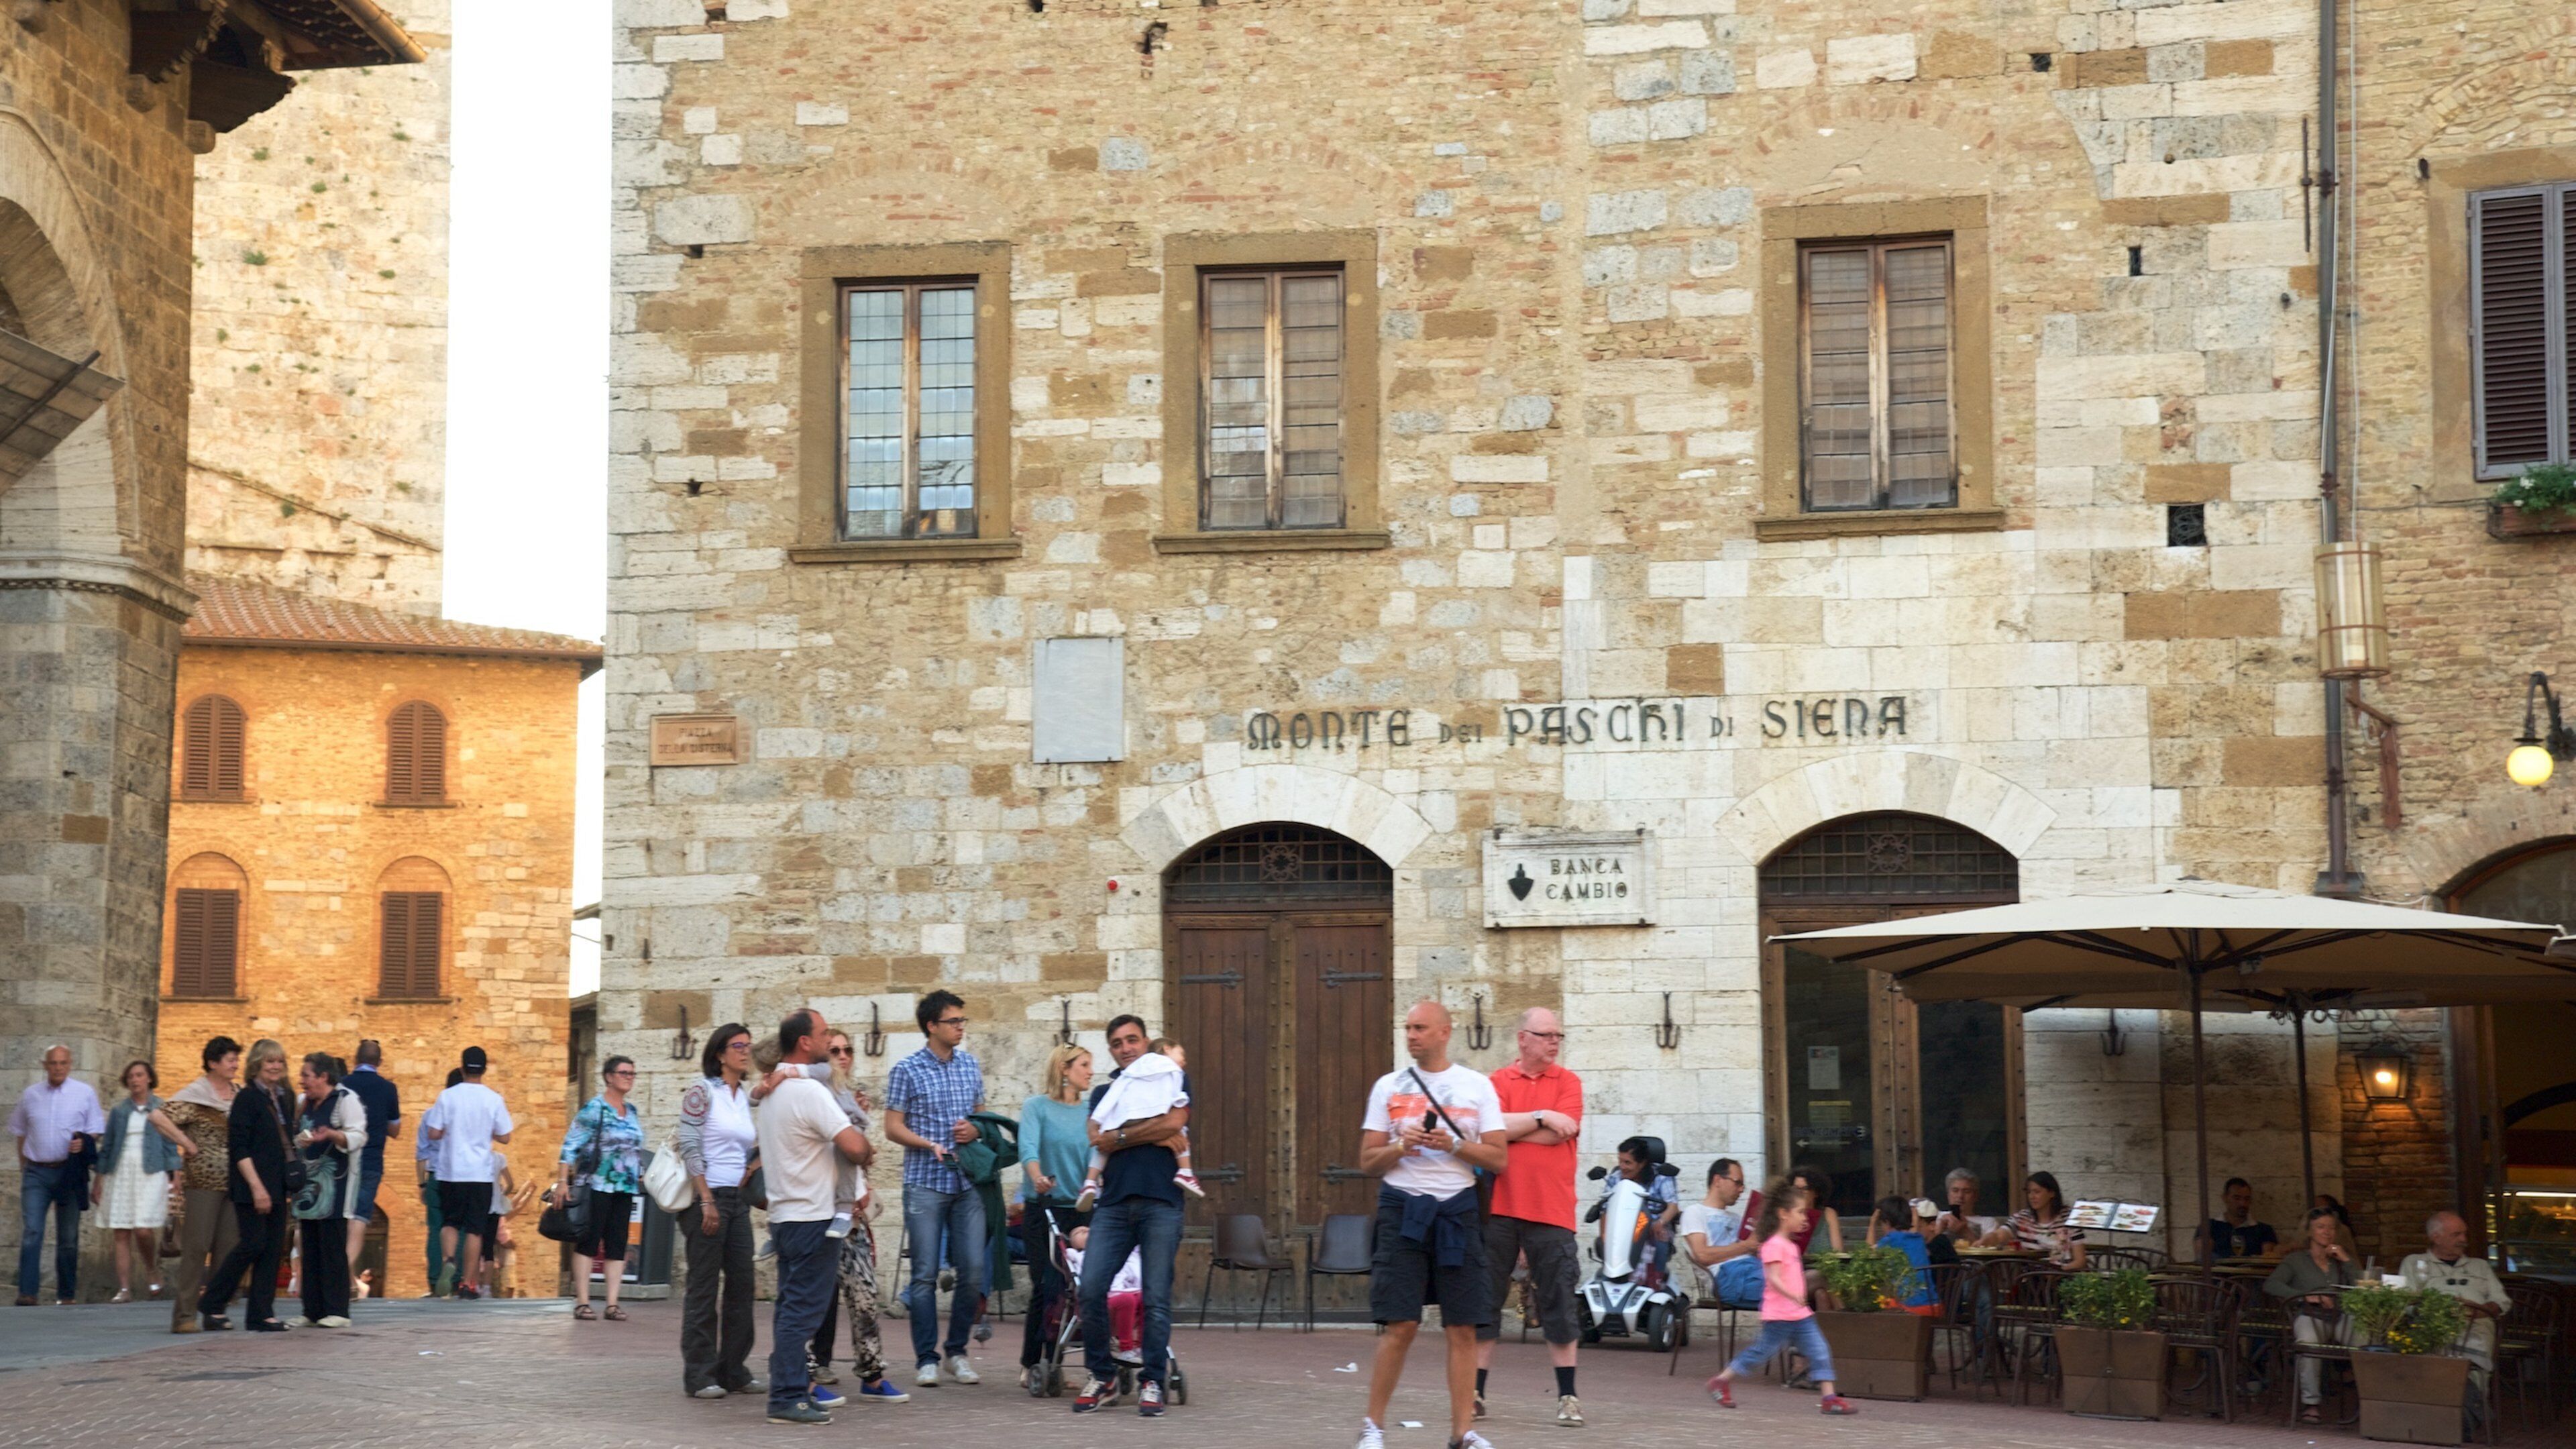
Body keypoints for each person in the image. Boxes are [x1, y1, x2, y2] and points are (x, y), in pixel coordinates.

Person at [1353, 1001, 1508, 1449]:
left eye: (1420, 1028)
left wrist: (1456, 1145)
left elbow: (1499, 1157)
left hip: (1457, 1211)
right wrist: (1401, 1146)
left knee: (1463, 1326)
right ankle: (1373, 1428)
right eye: (1408, 1028)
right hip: (1402, 1209)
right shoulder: (1388, 1087)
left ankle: (1462, 1432)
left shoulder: (1476, 1086)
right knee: (1400, 1324)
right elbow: (1366, 1161)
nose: (1412, 1035)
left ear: (1444, 1032)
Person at [755, 1008, 873, 1426]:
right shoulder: (808, 1092)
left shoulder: (773, 1091)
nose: (829, 1042)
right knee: (802, 1312)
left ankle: (788, 1390)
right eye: (824, 1034)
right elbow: (855, 1147)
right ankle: (786, 1396)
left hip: (787, 1216)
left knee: (792, 1307)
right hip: (811, 1217)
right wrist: (866, 1149)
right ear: (805, 1042)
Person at [1071, 1015, 1191, 1417]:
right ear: (1112, 1050)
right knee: (1090, 1288)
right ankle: (1103, 1376)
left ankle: (1153, 1381)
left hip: (1162, 1203)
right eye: (1118, 1043)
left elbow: (1176, 1122)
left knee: (1156, 1299)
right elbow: (1094, 1135)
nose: (1126, 1048)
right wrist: (1150, 1130)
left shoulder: (1172, 1077)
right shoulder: (1105, 1091)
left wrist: (1120, 1135)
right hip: (1114, 1207)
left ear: (1146, 1043)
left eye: (1133, 1040)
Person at [1474, 1007, 1586, 1428]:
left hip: (1552, 1210)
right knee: (1485, 1303)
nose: (1554, 1042)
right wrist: (1540, 1119)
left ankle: (1568, 1397)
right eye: (1546, 1035)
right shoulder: (1496, 1082)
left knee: (1559, 1303)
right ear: (1523, 1038)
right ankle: (1475, 1392)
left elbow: (1566, 1128)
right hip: (1499, 1208)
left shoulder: (1569, 1082)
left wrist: (1513, 1131)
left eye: (1559, 1035)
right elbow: (1488, 1132)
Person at [882, 989, 987, 1388]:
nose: (961, 1027)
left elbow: (983, 1119)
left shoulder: (970, 1066)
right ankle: (926, 1358)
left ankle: (956, 1353)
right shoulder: (906, 1070)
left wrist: (976, 1129)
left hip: (968, 1182)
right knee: (924, 1275)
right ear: (932, 1026)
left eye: (963, 1021)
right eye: (954, 1021)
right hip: (925, 1182)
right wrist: (927, 1144)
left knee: (973, 1272)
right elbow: (892, 1127)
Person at [804, 1028, 905, 1405]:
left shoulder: (847, 1097)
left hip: (851, 1212)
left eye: (848, 1050)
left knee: (865, 1295)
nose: (843, 1056)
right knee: (812, 1299)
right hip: (817, 1209)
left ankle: (872, 1374)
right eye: (834, 1050)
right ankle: (807, 1376)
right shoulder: (813, 1094)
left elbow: (857, 1154)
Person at [1705, 1181, 1858, 1415]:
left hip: (1799, 1314)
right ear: (1783, 1214)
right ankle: (1722, 1380)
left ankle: (1829, 1398)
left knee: (1820, 1350)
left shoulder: (1790, 1245)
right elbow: (1773, 1278)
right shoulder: (1774, 1245)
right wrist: (1793, 1294)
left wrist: (1797, 1298)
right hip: (1780, 1315)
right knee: (1760, 1352)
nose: (1804, 1218)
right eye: (1799, 1212)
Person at [674, 1022, 761, 1399]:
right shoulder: (701, 1091)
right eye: (738, 1045)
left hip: (737, 1202)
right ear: (720, 1053)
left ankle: (733, 1369)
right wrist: (705, 1197)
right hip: (705, 1201)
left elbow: (746, 1146)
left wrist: (754, 1166)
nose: (746, 1051)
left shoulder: (743, 1096)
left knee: (743, 1285)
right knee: (704, 1289)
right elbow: (689, 1143)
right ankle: (699, 1374)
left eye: (748, 1045)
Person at [197, 1038, 294, 1332]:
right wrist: (257, 1188)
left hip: (277, 1185)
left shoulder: (285, 1097)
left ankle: (261, 1314)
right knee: (253, 1244)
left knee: (272, 1248)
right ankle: (212, 1301)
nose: (275, 1066)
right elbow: (240, 1149)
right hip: (252, 1185)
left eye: (279, 1061)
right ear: (257, 1066)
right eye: (269, 1062)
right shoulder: (247, 1099)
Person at [1018, 1042, 1095, 1392]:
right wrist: (1036, 1177)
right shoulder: (1037, 1108)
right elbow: (1028, 1149)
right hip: (1044, 1207)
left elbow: (1098, 1152)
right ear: (1064, 1069)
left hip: (1081, 1209)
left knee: (1082, 1288)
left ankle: (1068, 1361)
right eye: (1084, 1065)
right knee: (1048, 1285)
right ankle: (1034, 1362)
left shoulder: (1093, 1109)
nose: (1090, 1072)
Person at [12, 1043, 105, 1305]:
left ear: (70, 1064)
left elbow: (96, 1128)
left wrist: (84, 1141)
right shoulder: (30, 1095)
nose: (58, 1068)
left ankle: (66, 1295)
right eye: (53, 1063)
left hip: (69, 1173)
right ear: (45, 1066)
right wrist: (24, 1166)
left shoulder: (84, 1093)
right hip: (37, 1173)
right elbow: (20, 1131)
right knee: (32, 1231)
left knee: (68, 1236)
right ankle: (28, 1292)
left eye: (63, 1063)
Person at [420, 1045, 513, 1299]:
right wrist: (486, 1131)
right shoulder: (493, 1099)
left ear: (462, 1068)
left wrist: (452, 1129)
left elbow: (433, 1133)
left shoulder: (447, 1097)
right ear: (484, 1069)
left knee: (450, 1222)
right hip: (481, 1174)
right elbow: (505, 1136)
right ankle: (468, 1284)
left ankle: (450, 1259)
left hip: (451, 1172)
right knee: (474, 1230)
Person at [163, 1037, 243, 1332]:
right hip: (203, 1182)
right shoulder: (196, 1095)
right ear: (213, 1062)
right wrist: (186, 1143)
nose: (235, 1064)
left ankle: (215, 1312)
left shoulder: (239, 1094)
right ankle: (184, 1315)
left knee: (227, 1248)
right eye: (229, 1059)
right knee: (197, 1247)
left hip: (235, 1183)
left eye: (236, 1059)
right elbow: (159, 1117)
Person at [557, 1055, 645, 1322]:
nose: (629, 1077)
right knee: (588, 1242)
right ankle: (583, 1302)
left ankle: (612, 1303)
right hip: (596, 1184)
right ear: (608, 1077)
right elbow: (570, 1145)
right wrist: (562, 1181)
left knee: (618, 1244)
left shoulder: (631, 1111)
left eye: (632, 1073)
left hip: (625, 1187)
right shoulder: (594, 1109)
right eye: (623, 1073)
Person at [97, 1059, 191, 1302]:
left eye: (139, 1075)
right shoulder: (119, 1111)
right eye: (131, 1077)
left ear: (149, 1078)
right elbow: (107, 1147)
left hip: (151, 1172)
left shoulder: (162, 1107)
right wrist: (99, 1179)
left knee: (143, 1229)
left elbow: (171, 1143)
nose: (135, 1080)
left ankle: (151, 1269)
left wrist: (176, 1174)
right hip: (121, 1171)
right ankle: (125, 1288)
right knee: (121, 1231)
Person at [1073, 1038, 1202, 1206]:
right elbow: (1176, 1102)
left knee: (1104, 1142)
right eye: (1181, 1054)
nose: (1184, 1060)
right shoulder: (1173, 1070)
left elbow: (1112, 1097)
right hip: (1155, 1115)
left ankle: (1090, 1182)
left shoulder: (1131, 1071)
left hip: (1126, 1116)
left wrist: (1098, 1120)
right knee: (1180, 1134)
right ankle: (1185, 1172)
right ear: (1167, 1049)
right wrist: (1161, 1135)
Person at [2400, 1210, 2511, 1397]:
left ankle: (2471, 1402)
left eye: (2464, 1234)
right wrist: (2437, 1309)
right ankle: (2437, 1399)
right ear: (2436, 1237)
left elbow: (2502, 1301)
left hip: (2477, 1322)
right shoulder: (2414, 1263)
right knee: (2429, 1341)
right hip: (2432, 1323)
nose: (2463, 1239)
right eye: (2456, 1234)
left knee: (2476, 1342)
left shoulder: (2480, 1266)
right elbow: (2405, 1300)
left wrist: (2480, 1310)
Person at [291, 1052, 367, 1327]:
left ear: (323, 1077)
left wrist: (332, 1135)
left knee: (332, 1246)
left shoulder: (346, 1100)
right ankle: (311, 1309)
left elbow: (359, 1136)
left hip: (336, 1183)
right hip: (309, 1184)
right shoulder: (304, 1103)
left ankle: (338, 1310)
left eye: (306, 1076)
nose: (302, 1081)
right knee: (309, 1246)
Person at [2264, 1207, 2359, 1423]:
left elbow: (2361, 1287)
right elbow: (2272, 1284)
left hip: (2340, 1316)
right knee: (2308, 1343)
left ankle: (2370, 1398)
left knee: (2366, 1338)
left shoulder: (2340, 1260)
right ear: (2310, 1232)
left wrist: (2346, 1260)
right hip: (2310, 1316)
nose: (2327, 1232)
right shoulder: (2297, 1260)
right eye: (2321, 1227)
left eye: (2331, 1228)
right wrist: (2305, 1296)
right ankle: (2312, 1403)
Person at [337, 1040, 401, 1275]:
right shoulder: (388, 1089)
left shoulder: (342, 1085)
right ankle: (346, 1272)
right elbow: (395, 1130)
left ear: (355, 1059)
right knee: (360, 1216)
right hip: (371, 1160)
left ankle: (342, 1274)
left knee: (342, 1214)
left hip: (344, 1160)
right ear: (380, 1062)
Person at [1678, 1157, 1764, 1309]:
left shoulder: (1737, 1218)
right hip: (1728, 1278)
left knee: (1809, 1283)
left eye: (1742, 1185)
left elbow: (1752, 1250)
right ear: (1717, 1180)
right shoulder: (1695, 1212)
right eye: (1737, 1182)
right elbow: (1703, 1256)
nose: (1741, 1190)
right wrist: (1746, 1246)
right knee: (1793, 1287)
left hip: (1752, 1270)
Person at [1599, 1136, 1682, 1281]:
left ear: (1642, 1163)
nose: (1622, 1167)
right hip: (1623, 1228)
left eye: (1627, 1163)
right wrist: (1605, 1235)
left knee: (1660, 1241)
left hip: (1654, 1225)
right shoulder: (1615, 1178)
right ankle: (1612, 1278)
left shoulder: (1662, 1176)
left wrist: (1660, 1223)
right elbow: (1606, 1209)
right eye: (1620, 1161)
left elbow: (1673, 1207)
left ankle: (1656, 1280)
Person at [1065, 1226, 1142, 1361]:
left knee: (1147, 1299)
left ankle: (1142, 1346)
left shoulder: (1116, 1253)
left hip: (1124, 1292)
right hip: (1102, 1301)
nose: (1086, 1231)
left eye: (1088, 1229)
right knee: (1126, 1299)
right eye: (1079, 1232)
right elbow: (1070, 1255)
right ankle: (1126, 1348)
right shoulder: (1080, 1256)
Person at [1984, 1170, 2087, 1269]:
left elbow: (2080, 1261)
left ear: (2052, 1193)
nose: (2032, 1197)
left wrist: (2058, 1272)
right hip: (2030, 1278)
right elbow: (2001, 1234)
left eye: (2037, 1192)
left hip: (2062, 1277)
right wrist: (1988, 1239)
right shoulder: (2023, 1218)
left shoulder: (2068, 1218)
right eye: (2029, 1192)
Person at [418, 1067, 460, 1295]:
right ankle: (457, 1277)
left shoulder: (430, 1115)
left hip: (435, 1176)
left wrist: (422, 1184)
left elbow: (421, 1153)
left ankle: (435, 1280)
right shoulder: (467, 1113)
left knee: (435, 1229)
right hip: (461, 1176)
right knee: (460, 1228)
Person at [1864, 1196, 1936, 1314]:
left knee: (1876, 1304)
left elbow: (1867, 1254)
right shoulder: (1918, 1238)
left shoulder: (1892, 1239)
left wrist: (1872, 1225)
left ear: (1886, 1222)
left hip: (1912, 1309)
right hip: (1933, 1305)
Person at [2198, 1176, 2279, 1261]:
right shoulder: (2209, 1226)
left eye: (2247, 1199)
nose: (2243, 1204)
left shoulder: (2264, 1230)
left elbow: (2268, 1262)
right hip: (2217, 1274)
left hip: (2251, 1274)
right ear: (2225, 1198)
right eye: (2237, 1198)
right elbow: (2203, 1259)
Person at [1785, 1165, 1844, 1254]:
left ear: (1816, 1192)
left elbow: (1838, 1252)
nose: (1800, 1192)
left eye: (1805, 1188)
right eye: (1796, 1189)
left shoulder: (1828, 1214)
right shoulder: (1786, 1215)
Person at [1932, 1167, 1996, 1244]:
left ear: (1975, 1195)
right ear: (1948, 1194)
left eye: (1967, 1191)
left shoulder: (1988, 1222)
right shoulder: (1936, 1217)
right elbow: (1923, 1251)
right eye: (1955, 1191)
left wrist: (1965, 1232)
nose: (1960, 1196)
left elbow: (1989, 1253)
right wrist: (1939, 1230)